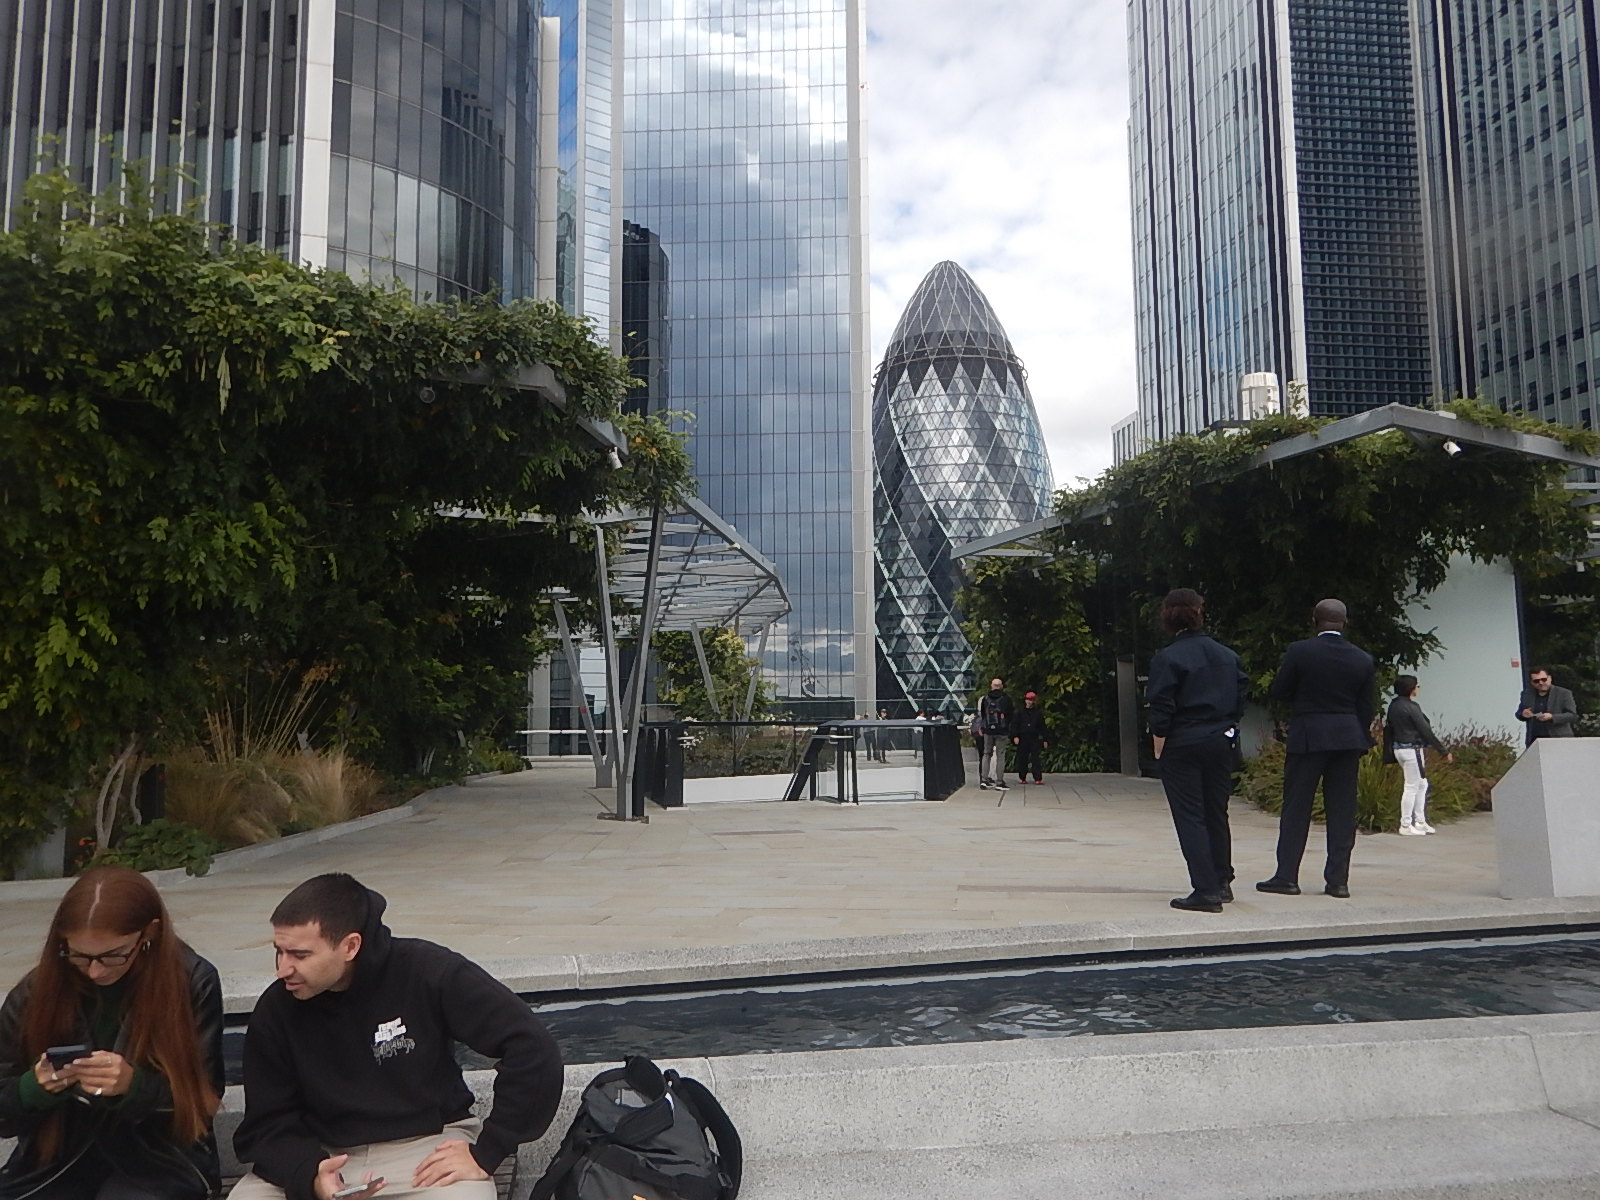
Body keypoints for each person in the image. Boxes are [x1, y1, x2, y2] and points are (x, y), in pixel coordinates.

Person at [230, 873, 562, 1200]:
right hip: (318, 1154)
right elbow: (268, 1123)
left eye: (300, 955)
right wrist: (310, 1176)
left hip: (427, 1147)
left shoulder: (426, 971)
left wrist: (488, 1151)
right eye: (279, 951)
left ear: (350, 946)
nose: (282, 969)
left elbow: (531, 1047)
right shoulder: (276, 1007)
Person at [0, 866, 223, 1200]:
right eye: (79, 955)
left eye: (113, 956)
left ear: (149, 933)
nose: (95, 971)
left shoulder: (191, 980)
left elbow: (205, 1100)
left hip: (161, 1159)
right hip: (54, 1161)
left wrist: (133, 1086)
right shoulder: (35, 992)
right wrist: (33, 1088)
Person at [1257, 598, 1376, 900]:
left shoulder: (1300, 651)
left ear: (1314, 621)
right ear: (1345, 622)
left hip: (1309, 735)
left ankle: (1287, 877)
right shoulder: (1362, 658)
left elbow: (1280, 690)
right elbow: (1367, 706)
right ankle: (1338, 881)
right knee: (1343, 810)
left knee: (1297, 807)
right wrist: (1359, 734)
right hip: (1347, 737)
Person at [1145, 589, 1249, 914]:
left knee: (1190, 815)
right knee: (1216, 811)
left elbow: (1161, 706)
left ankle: (1205, 890)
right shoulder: (1226, 655)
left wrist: (1159, 744)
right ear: (1199, 613)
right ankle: (1222, 880)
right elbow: (1240, 697)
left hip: (1183, 741)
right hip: (1219, 739)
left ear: (1167, 616)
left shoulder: (1168, 658)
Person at [1386, 675, 1452, 836]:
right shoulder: (1412, 707)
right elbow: (1425, 730)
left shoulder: (1393, 706)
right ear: (1411, 688)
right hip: (1412, 749)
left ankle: (1420, 821)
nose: (1418, 688)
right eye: (1416, 686)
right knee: (1412, 786)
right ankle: (1406, 824)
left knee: (1421, 784)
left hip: (1399, 748)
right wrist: (1443, 751)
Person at [1515, 667, 1578, 747]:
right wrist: (1523, 714)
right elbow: (1519, 713)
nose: (1541, 683)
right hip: (1535, 740)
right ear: (1532, 683)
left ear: (1550, 678)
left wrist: (1552, 717)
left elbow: (1572, 716)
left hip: (1559, 738)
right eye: (1536, 681)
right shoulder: (1527, 694)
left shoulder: (1563, 693)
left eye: (1544, 679)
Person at [977, 678, 1014, 790]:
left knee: (986, 754)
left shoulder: (985, 699)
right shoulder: (1006, 699)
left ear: (992, 686)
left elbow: (983, 715)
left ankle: (984, 779)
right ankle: (999, 782)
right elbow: (1011, 715)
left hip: (988, 730)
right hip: (1002, 731)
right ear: (1001, 686)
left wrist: (983, 728)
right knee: (1000, 755)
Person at [1009, 692, 1051, 784]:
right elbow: (1014, 725)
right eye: (1027, 700)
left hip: (1034, 737)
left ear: (1034, 701)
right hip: (1023, 737)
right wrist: (1015, 736)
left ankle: (1037, 778)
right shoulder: (1019, 712)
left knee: (1035, 758)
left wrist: (1045, 739)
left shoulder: (1038, 713)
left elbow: (1042, 727)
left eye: (1031, 700)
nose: (1029, 702)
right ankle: (1022, 777)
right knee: (1022, 758)